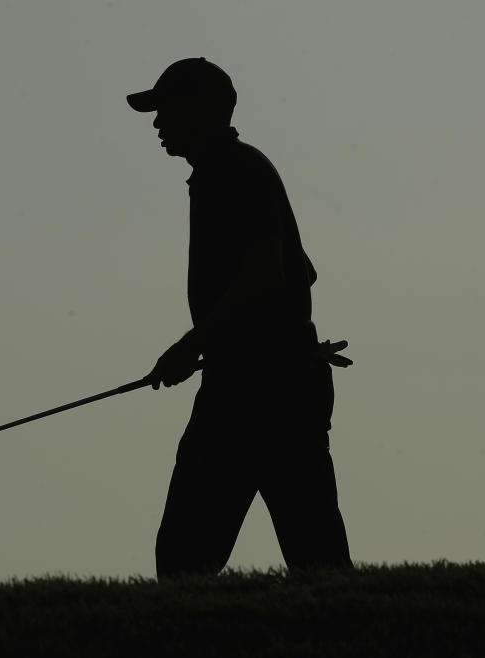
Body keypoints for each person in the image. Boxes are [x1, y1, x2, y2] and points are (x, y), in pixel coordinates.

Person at [127, 58, 354, 577]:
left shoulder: (231, 173)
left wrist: (192, 346)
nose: (157, 124)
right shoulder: (234, 170)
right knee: (315, 553)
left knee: (186, 557)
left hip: (253, 392)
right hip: (278, 381)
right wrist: (289, 341)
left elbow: (265, 274)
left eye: (165, 110)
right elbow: (298, 270)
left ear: (200, 111)